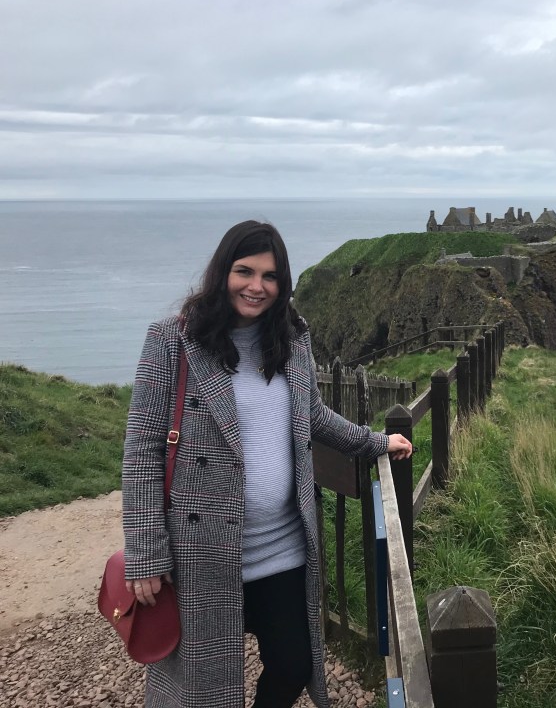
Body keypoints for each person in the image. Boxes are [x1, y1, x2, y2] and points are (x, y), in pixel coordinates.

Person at [121, 220, 412, 708]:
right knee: (205, 689)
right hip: (202, 550)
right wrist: (145, 554)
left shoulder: (292, 340)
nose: (256, 286)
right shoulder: (172, 342)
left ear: (283, 285)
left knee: (294, 664)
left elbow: (313, 416)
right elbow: (142, 451)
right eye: (244, 271)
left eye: (270, 277)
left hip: (281, 547)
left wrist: (375, 442)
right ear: (222, 272)